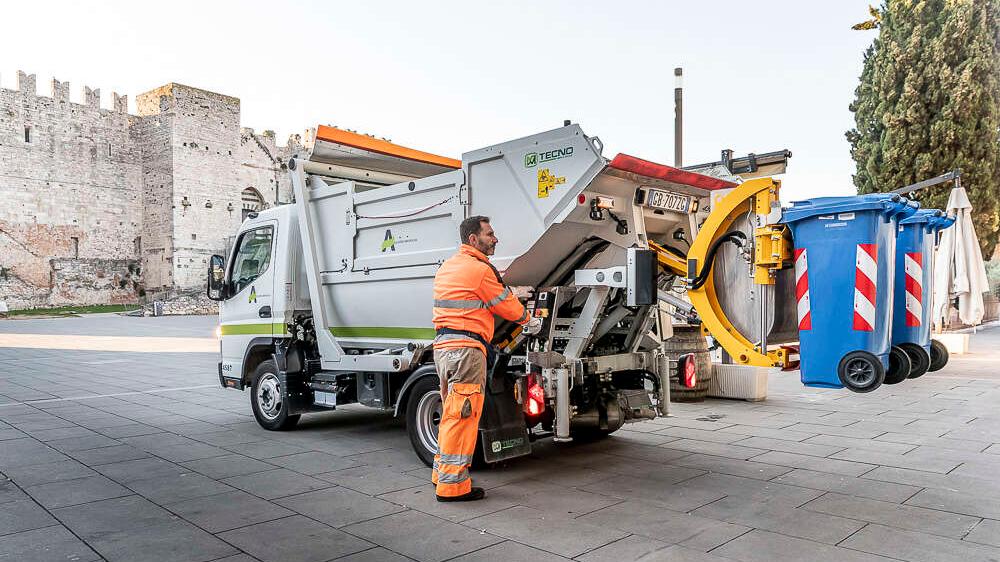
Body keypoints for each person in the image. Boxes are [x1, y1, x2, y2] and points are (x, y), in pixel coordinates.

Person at [430, 215, 542, 502]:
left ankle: (441, 473)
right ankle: (452, 486)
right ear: (473, 240)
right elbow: (503, 303)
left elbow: (481, 296)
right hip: (466, 350)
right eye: (490, 234)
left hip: (445, 348)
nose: (495, 239)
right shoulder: (479, 269)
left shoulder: (450, 266)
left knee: (451, 415)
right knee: (463, 416)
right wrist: (530, 321)